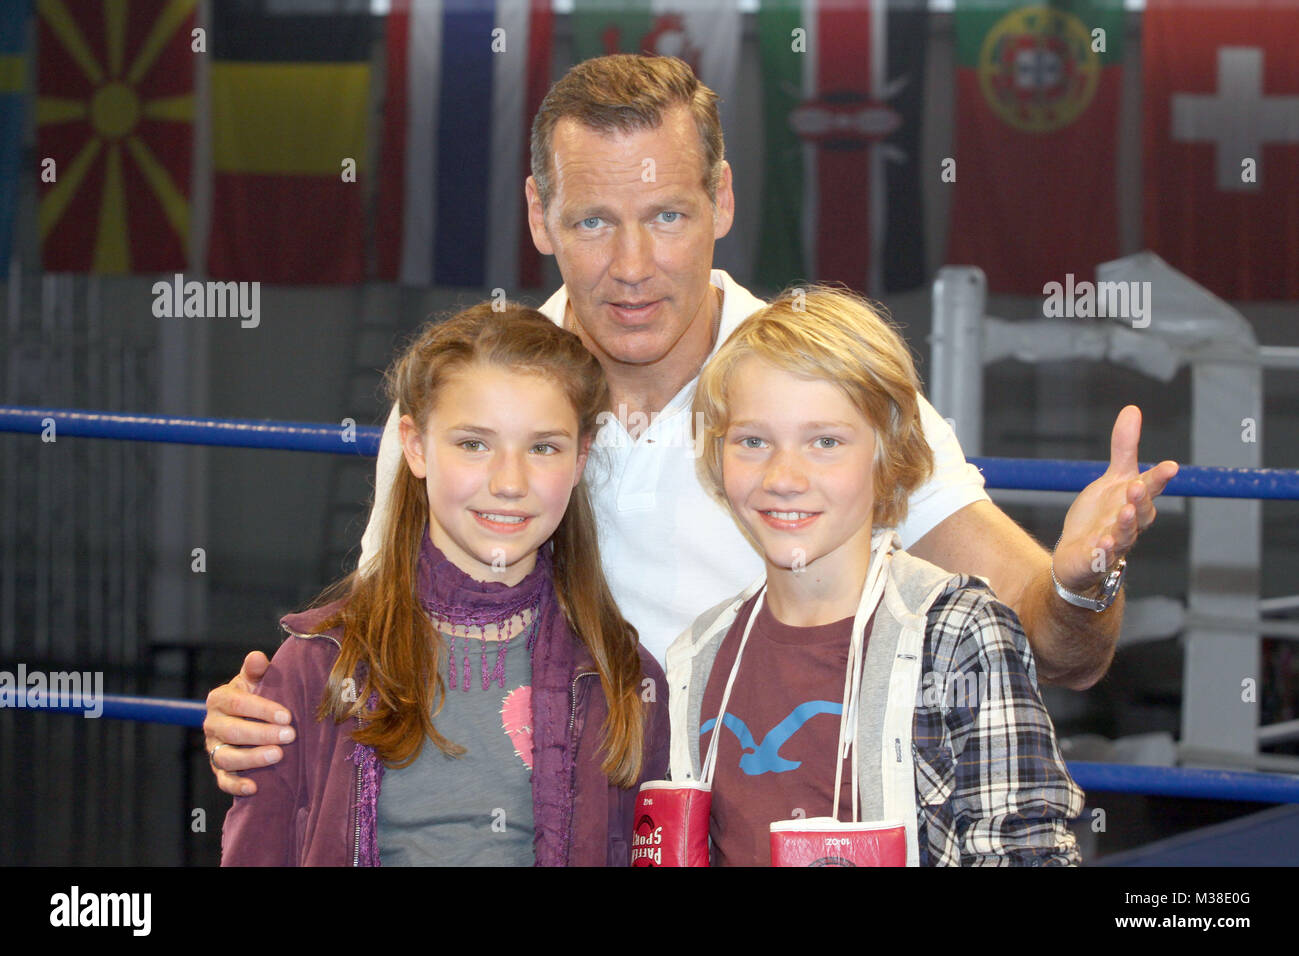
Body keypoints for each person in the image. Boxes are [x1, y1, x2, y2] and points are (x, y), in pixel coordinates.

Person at [205, 54, 1177, 797]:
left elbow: (1057, 647)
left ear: (719, 198)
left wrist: (1082, 582)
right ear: (539, 216)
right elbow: (379, 645)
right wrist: (268, 709)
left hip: (780, 827)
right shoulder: (471, 405)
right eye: (594, 222)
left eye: (666, 215)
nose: (632, 264)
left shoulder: (828, 389)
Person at [220, 303, 668, 865]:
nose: (509, 482)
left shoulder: (623, 679)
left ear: (580, 459)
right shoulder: (317, 666)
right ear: (414, 446)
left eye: (543, 447)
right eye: (474, 444)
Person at [668, 287, 1082, 865]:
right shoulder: (699, 653)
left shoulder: (959, 636)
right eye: (753, 441)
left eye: (825, 442)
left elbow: (1028, 853)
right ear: (716, 455)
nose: (783, 476)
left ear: (886, 453)